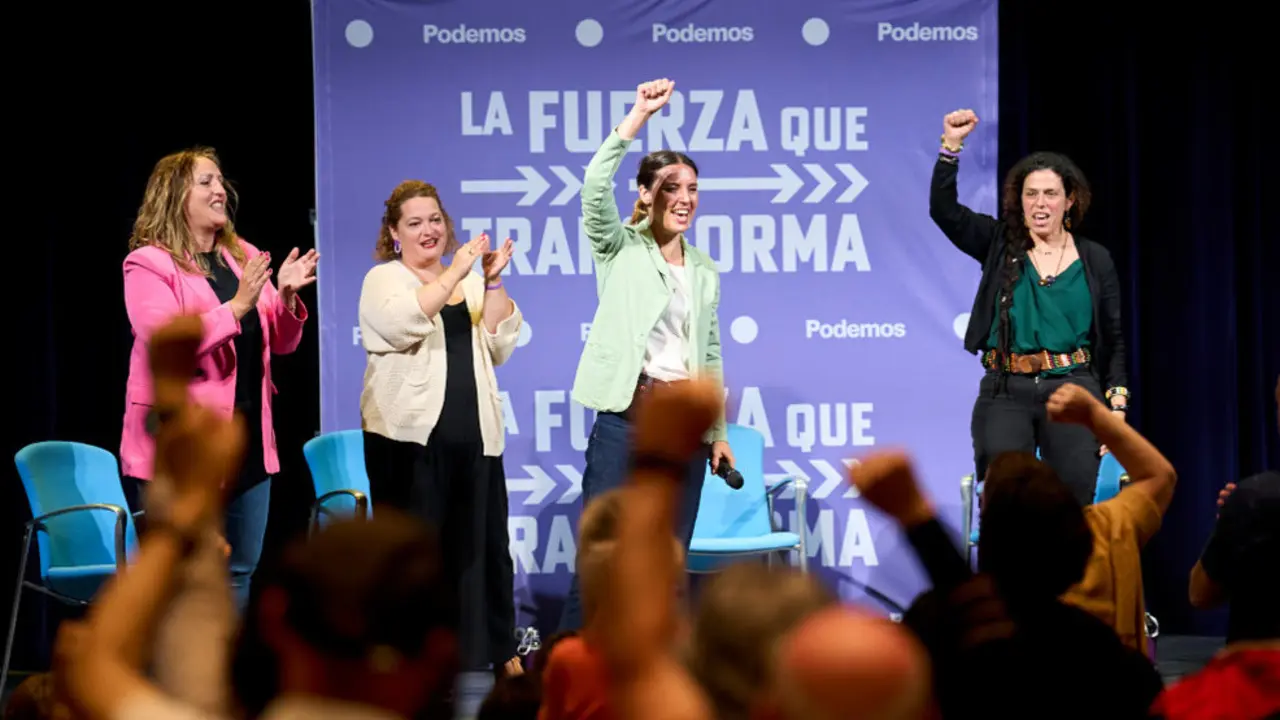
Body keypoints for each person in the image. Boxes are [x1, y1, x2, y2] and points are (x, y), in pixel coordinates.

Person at [558, 78, 735, 632]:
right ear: (644, 194)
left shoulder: (704, 269)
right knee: (603, 551)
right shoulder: (619, 248)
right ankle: (567, 671)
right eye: (670, 187)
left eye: (693, 188)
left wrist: (718, 432)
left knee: (670, 558)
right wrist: (636, 115)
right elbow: (592, 187)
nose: (685, 198)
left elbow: (708, 350)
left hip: (683, 425)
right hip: (625, 419)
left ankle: (660, 677)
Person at [120, 146, 316, 612]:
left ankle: (223, 679)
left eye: (220, 180)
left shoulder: (240, 256)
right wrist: (238, 307)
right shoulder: (149, 263)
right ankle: (173, 679)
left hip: (246, 438)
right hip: (183, 444)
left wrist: (285, 298)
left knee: (239, 570)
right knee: (182, 569)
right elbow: (163, 339)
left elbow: (283, 344)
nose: (219, 189)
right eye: (206, 181)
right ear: (174, 195)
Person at [357, 179, 524, 677]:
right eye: (415, 223)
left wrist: (492, 281)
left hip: (475, 437)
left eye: (435, 220)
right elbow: (404, 323)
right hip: (407, 442)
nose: (429, 230)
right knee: (414, 555)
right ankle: (407, 657)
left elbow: (499, 345)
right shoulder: (383, 279)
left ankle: (495, 651)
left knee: (485, 549)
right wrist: (454, 273)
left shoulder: (469, 281)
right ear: (394, 232)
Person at [929, 109, 1128, 506]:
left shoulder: (1096, 259)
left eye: (1050, 194)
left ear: (1070, 200)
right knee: (1006, 506)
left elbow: (1114, 338)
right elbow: (944, 212)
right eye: (1030, 194)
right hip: (1006, 391)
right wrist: (951, 147)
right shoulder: (999, 243)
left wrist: (1117, 408)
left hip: (1073, 388)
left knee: (1074, 507)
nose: (1040, 203)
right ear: (1019, 202)